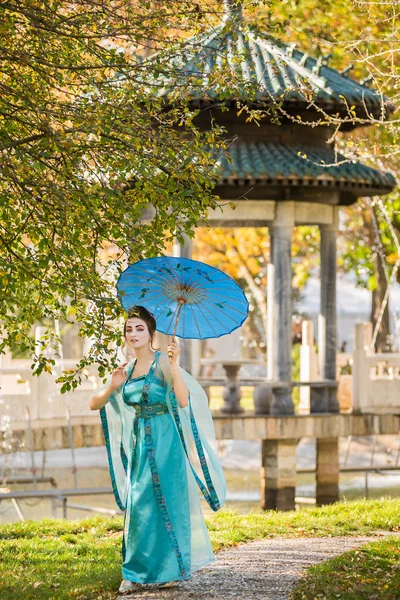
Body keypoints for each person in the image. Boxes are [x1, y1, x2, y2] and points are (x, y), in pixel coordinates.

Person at [89, 305, 226, 593]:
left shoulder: (162, 362)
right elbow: (95, 403)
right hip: (141, 443)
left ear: (151, 334)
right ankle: (136, 572)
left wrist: (175, 366)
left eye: (140, 328)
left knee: (168, 503)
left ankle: (170, 569)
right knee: (140, 505)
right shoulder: (125, 370)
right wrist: (112, 385)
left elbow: (183, 400)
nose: (133, 333)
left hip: (166, 441)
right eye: (129, 329)